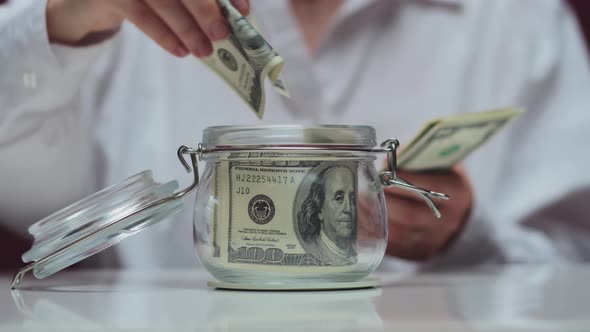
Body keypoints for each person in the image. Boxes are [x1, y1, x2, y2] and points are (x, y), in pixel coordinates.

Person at [1, 0, 590, 272]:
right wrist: (65, 21)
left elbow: (574, 258)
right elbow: (26, 204)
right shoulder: (115, 21)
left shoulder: (521, 20)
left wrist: (467, 240)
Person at [297, 165, 357, 265]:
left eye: (352, 198)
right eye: (339, 198)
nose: (349, 209)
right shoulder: (310, 251)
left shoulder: (356, 253)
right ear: (320, 209)